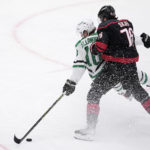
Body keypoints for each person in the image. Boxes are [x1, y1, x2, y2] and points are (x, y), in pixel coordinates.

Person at [62, 16, 150, 140]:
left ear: (85, 31)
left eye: (82, 33)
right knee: (137, 85)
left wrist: (72, 82)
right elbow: (127, 38)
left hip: (107, 74)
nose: (82, 36)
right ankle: (129, 91)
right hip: (122, 66)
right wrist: (143, 39)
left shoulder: (81, 45)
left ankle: (90, 129)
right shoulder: (106, 32)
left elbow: (79, 65)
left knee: (96, 94)